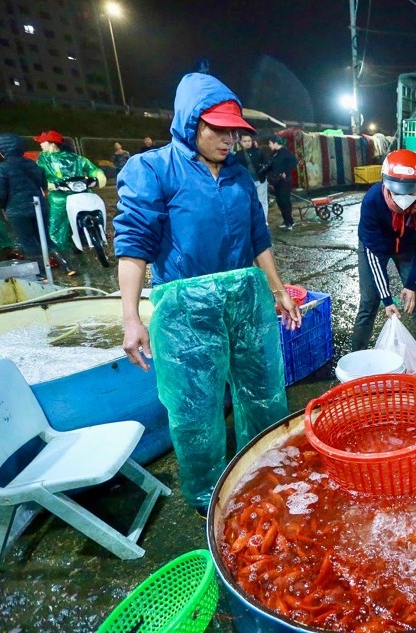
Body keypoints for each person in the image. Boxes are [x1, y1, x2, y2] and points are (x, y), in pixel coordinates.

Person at [113, 72, 301, 517]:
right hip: (186, 312)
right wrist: (131, 317)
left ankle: (267, 472)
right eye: (217, 128)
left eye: (234, 130)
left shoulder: (238, 175)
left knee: (264, 393)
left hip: (245, 302)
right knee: (196, 408)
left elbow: (259, 237)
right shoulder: (153, 169)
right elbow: (133, 246)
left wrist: (279, 291)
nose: (228, 139)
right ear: (189, 122)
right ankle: (208, 495)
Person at [351, 149, 416, 378]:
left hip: (409, 248)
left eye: (410, 190)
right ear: (385, 182)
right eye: (396, 190)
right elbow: (373, 257)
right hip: (376, 247)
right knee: (369, 302)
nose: (402, 198)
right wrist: (387, 298)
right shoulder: (373, 200)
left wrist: (411, 285)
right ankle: (355, 357)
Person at [0, 133, 74, 276]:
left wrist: (2, 206)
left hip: (17, 211)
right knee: (46, 238)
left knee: (28, 241)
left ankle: (40, 273)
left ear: (2, 150)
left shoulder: (0, 168)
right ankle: (67, 266)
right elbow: (43, 184)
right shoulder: (32, 163)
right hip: (39, 206)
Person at [35, 130, 107, 252]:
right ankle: (59, 250)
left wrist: (98, 174)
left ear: (52, 143)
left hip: (80, 191)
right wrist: (48, 184)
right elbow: (38, 175)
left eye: (43, 141)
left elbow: (89, 167)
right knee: (57, 221)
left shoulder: (75, 158)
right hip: (59, 194)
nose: (40, 144)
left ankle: (98, 232)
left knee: (95, 207)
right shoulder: (42, 160)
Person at [262, 134, 297, 230]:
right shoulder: (274, 153)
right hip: (277, 181)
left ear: (275, 143)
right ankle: (286, 221)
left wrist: (286, 172)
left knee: (285, 201)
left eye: (270, 143)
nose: (269, 145)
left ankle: (289, 222)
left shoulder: (284, 152)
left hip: (285, 181)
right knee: (280, 201)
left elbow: (294, 161)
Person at [235, 132, 268, 221]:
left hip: (261, 180)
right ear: (240, 142)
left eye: (249, 140)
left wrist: (264, 169)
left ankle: (263, 221)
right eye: (245, 141)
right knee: (249, 202)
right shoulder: (238, 155)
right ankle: (253, 221)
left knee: (262, 201)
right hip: (247, 182)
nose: (247, 143)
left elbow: (267, 163)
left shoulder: (259, 151)